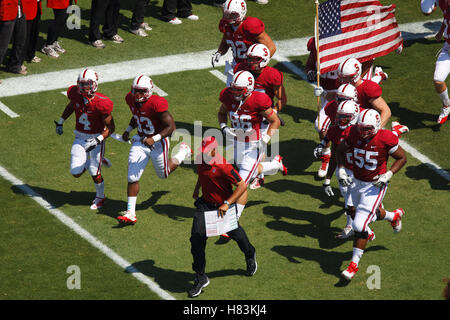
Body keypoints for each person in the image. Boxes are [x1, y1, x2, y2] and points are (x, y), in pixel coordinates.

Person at [336, 109, 407, 281]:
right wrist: (342, 170)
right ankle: (393, 216)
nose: (363, 132)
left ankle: (353, 265)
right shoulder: (354, 133)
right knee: (352, 211)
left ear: (376, 125)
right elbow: (339, 150)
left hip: (375, 185)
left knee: (359, 226)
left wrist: (388, 174)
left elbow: (402, 158)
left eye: (367, 128)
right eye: (361, 128)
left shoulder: (385, 138)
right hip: (356, 181)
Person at [117, 75, 192, 225]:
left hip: (158, 142)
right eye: (135, 91)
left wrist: (155, 138)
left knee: (163, 174)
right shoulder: (130, 99)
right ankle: (131, 212)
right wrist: (128, 130)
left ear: (149, 91)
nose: (137, 95)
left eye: (141, 91)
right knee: (132, 176)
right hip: (140, 141)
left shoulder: (156, 103)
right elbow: (136, 116)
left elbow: (171, 127)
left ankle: (183, 151)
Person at [189, 136, 257, 298]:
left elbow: (242, 185)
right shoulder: (200, 159)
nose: (203, 154)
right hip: (205, 205)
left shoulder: (223, 166)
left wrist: (227, 203)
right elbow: (201, 174)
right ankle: (200, 276)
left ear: (214, 150)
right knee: (196, 238)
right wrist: (197, 188)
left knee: (236, 234)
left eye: (206, 151)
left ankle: (250, 254)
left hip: (222, 208)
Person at [54, 68, 115, 210]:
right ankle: (93, 162)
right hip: (80, 137)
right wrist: (61, 120)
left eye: (86, 84)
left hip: (96, 138)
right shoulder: (75, 94)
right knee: (75, 173)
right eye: (81, 84)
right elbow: (71, 106)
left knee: (95, 171)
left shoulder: (101, 103)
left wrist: (98, 139)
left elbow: (111, 128)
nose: (82, 87)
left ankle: (100, 197)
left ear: (94, 84)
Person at [218, 70, 285, 192]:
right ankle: (275, 163)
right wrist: (223, 127)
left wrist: (265, 139)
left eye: (239, 90)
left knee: (241, 183)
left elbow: (276, 121)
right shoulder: (228, 96)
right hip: (236, 140)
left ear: (248, 89)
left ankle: (230, 207)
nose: (235, 92)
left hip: (253, 143)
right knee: (242, 167)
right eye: (234, 88)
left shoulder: (258, 100)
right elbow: (222, 113)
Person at [234, 43, 287, 189]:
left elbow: (282, 99)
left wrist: (274, 112)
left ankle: (259, 176)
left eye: (255, 59)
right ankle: (274, 164)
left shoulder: (272, 75)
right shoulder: (241, 69)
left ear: (264, 59)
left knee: (257, 149)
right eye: (250, 59)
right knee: (241, 158)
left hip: (262, 116)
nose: (251, 62)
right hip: (246, 115)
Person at [211, 0, 276, 86]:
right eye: (227, 14)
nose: (229, 17)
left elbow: (271, 47)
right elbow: (226, 40)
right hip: (236, 65)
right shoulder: (226, 25)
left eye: (233, 14)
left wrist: (258, 65)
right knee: (232, 95)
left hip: (252, 67)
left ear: (242, 12)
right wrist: (219, 52)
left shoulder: (250, 26)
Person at [433, 0, 450, 124]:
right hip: (448, 50)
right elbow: (446, 18)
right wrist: (440, 31)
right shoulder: (445, 3)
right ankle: (446, 105)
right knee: (438, 80)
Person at [0, 0, 27, 75]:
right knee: (2, 45)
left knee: (20, 39)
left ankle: (14, 66)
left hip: (19, 9)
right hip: (7, 9)